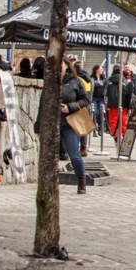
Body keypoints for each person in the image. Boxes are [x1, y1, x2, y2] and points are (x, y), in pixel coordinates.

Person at [35, 56, 91, 194]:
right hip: (51, 123)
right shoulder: (50, 81)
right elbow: (42, 105)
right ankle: (47, 183)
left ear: (67, 65)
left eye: (61, 64)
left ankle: (81, 181)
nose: (59, 66)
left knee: (74, 155)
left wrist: (70, 107)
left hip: (69, 123)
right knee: (48, 156)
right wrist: (38, 126)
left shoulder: (75, 81)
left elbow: (85, 100)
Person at [105, 65, 135, 141]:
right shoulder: (124, 80)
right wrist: (129, 106)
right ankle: (124, 136)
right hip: (124, 103)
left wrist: (106, 103)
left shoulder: (109, 80)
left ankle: (116, 137)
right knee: (124, 121)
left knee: (113, 121)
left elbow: (104, 93)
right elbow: (129, 93)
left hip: (112, 104)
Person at [90, 64, 107, 136]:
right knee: (95, 112)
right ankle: (94, 128)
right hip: (94, 97)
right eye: (101, 69)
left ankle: (101, 128)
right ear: (96, 70)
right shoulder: (91, 78)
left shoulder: (104, 79)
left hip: (101, 98)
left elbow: (106, 88)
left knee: (101, 112)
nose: (102, 70)